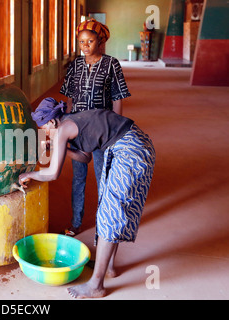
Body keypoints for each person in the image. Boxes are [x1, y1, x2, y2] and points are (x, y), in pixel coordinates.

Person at [18, 98, 155, 298]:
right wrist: (59, 148)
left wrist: (28, 175)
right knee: (108, 209)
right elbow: (85, 156)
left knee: (110, 214)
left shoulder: (64, 129)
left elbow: (52, 174)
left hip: (131, 151)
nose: (45, 133)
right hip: (131, 146)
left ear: (53, 122)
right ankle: (108, 267)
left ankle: (96, 286)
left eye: (45, 127)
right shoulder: (71, 123)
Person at [60, 18, 131, 237]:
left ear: (99, 41)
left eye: (89, 41)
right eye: (81, 42)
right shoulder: (76, 65)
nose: (85, 46)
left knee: (104, 178)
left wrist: (116, 130)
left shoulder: (112, 64)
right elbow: (70, 97)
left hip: (103, 131)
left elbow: (118, 97)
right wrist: (67, 121)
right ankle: (75, 222)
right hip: (78, 129)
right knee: (78, 178)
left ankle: (104, 224)